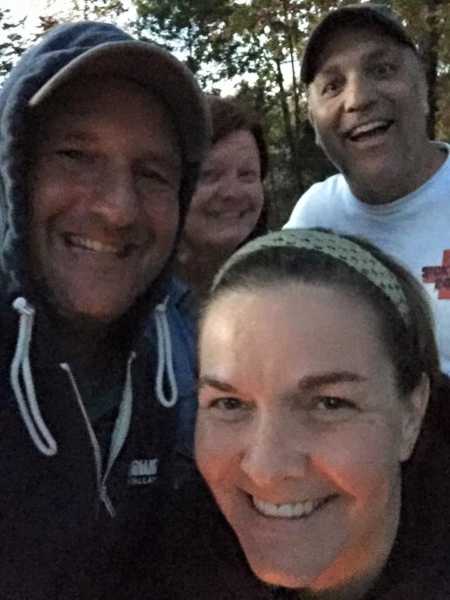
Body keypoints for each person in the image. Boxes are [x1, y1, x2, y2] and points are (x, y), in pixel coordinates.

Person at [106, 228, 450, 599]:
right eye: (230, 403)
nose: (266, 470)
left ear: (411, 415)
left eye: (329, 403)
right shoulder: (153, 571)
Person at [0, 20, 209, 600]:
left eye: (152, 173)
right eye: (75, 155)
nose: (118, 210)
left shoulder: (183, 361)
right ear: (14, 173)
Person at [284, 3, 450, 375]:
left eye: (382, 70)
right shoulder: (313, 224)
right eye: (332, 85)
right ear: (313, 122)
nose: (358, 99)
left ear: (423, 87)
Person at [150, 94, 269, 461]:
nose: (232, 192)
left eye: (247, 175)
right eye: (210, 176)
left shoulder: (282, 292)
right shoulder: (134, 305)